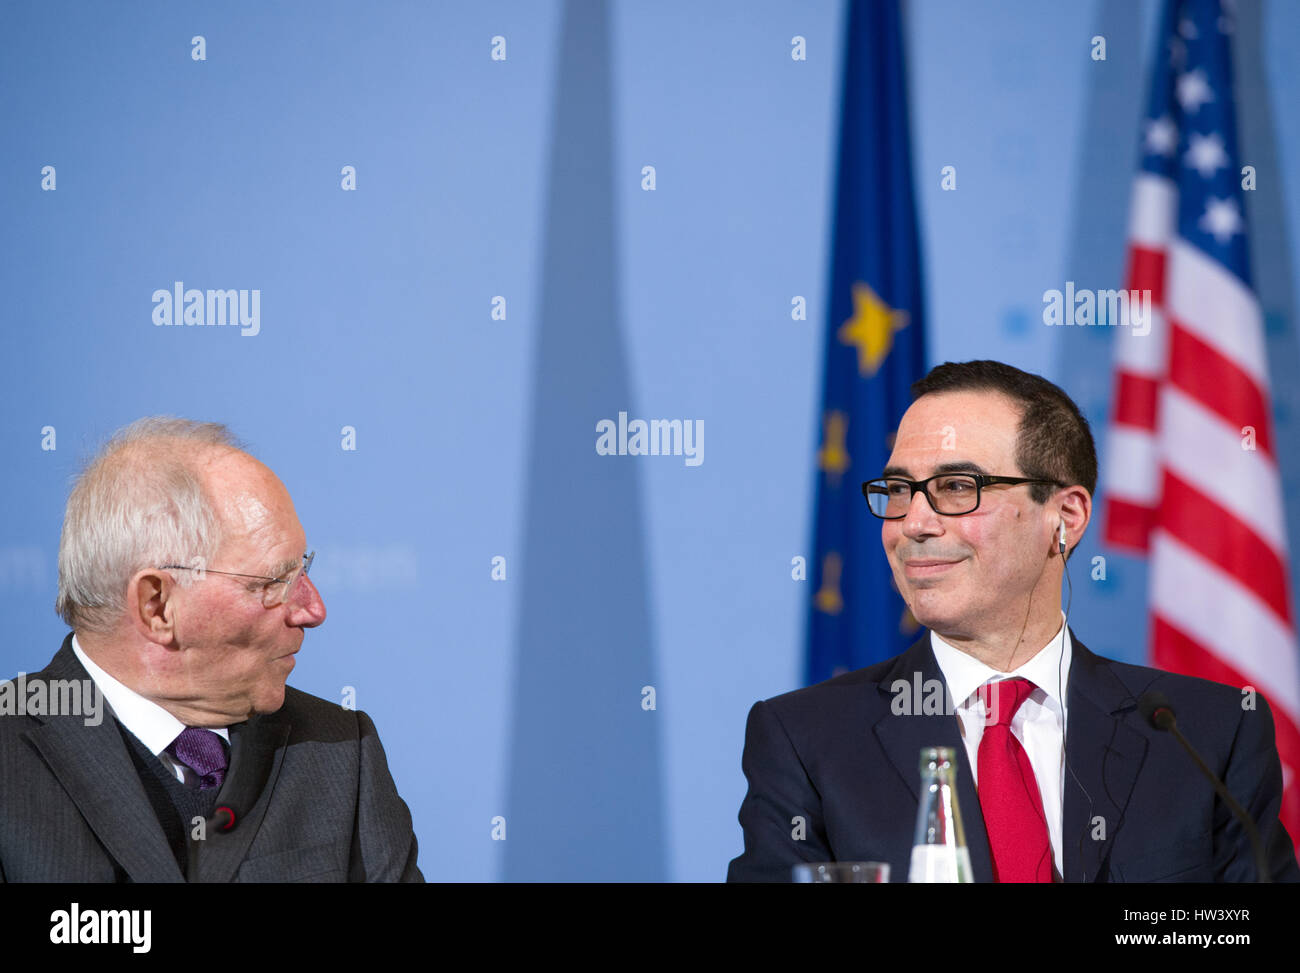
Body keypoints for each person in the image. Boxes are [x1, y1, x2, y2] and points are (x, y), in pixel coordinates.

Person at [727, 360, 1299, 883]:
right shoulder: (806, 740)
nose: (914, 523)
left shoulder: (1206, 735)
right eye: (899, 491)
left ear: (1065, 517)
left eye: (957, 487)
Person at [0, 418, 422, 882]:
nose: (312, 609)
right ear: (157, 605)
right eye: (273, 582)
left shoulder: (339, 752)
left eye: (304, 569)